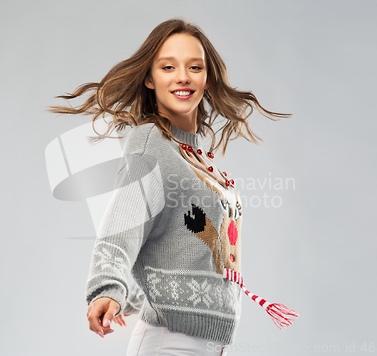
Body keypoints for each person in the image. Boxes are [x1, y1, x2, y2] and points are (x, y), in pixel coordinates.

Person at [47, 18, 297, 356]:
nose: (183, 76)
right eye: (168, 66)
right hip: (173, 345)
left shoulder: (195, 157)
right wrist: (108, 288)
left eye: (195, 67)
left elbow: (176, 246)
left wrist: (133, 297)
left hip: (205, 346)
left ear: (206, 79)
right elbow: (124, 225)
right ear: (150, 78)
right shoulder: (151, 143)